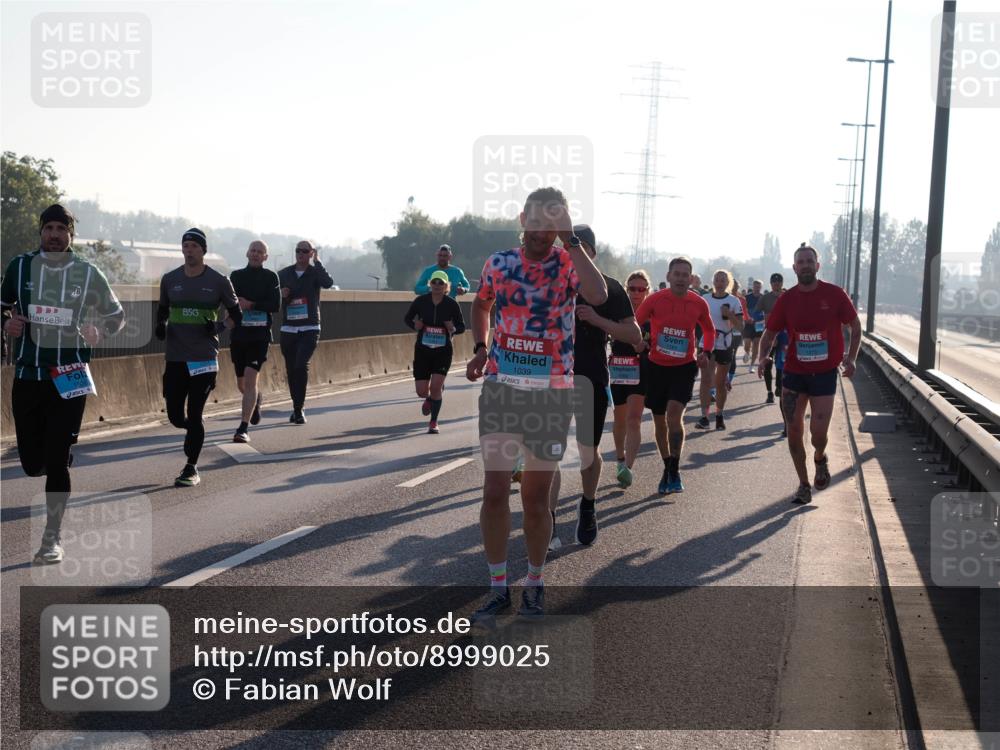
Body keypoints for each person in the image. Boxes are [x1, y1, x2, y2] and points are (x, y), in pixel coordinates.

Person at [466, 187, 607, 622]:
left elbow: (598, 295)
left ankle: (534, 580)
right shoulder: (500, 262)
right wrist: (479, 345)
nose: (544, 230)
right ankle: (496, 587)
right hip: (502, 388)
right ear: (523, 219)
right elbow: (481, 303)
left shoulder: (568, 262)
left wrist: (572, 239)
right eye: (538, 220)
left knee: (535, 497)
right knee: (493, 492)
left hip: (550, 394)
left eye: (553, 222)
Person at [1, 204, 125, 564]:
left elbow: (117, 316)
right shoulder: (19, 266)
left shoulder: (88, 273)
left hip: (69, 375)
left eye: (61, 229)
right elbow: (3, 307)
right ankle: (53, 456)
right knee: (30, 463)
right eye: (49, 228)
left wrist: (98, 330)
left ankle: (51, 538)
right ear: (41, 231)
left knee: (56, 463)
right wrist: (7, 325)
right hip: (27, 374)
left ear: (71, 234)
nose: (54, 234)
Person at [548, 224, 640, 549]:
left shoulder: (610, 289)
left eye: (581, 247)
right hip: (553, 380)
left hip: (591, 378)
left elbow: (635, 337)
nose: (574, 253)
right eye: (568, 247)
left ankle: (587, 504)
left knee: (588, 451)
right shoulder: (550, 285)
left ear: (592, 253)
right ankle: (548, 519)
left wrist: (598, 321)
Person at [757, 243, 861, 504]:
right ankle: (803, 485)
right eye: (800, 262)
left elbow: (855, 325)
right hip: (794, 372)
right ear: (794, 268)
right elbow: (769, 333)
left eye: (809, 261)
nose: (805, 265)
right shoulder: (787, 299)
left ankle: (820, 457)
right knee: (793, 430)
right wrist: (762, 357)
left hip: (825, 373)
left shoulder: (835, 294)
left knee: (818, 433)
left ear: (817, 265)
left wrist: (852, 358)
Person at [156, 228, 241, 487]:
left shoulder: (218, 280)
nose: (189, 250)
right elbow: (162, 310)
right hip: (176, 357)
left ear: (203, 250)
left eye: (194, 245)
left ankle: (191, 466)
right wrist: (160, 325)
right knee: (174, 415)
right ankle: (193, 429)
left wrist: (217, 327)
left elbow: (237, 315)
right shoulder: (170, 279)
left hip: (204, 357)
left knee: (194, 413)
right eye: (186, 245)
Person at [635, 257, 714, 495]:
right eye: (676, 274)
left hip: (684, 366)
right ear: (669, 277)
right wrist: (640, 341)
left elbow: (709, 330)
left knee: (674, 415)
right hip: (656, 366)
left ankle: (676, 468)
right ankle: (667, 465)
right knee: (660, 421)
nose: (681, 278)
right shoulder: (655, 300)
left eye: (685, 275)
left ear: (691, 279)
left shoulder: (698, 303)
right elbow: (636, 323)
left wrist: (705, 351)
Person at [228, 240, 281, 443]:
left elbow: (275, 305)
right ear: (247, 253)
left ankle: (243, 428)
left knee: (250, 379)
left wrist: (251, 304)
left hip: (259, 336)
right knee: (243, 384)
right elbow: (230, 301)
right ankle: (256, 400)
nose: (256, 254)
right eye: (253, 250)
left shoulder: (270, 277)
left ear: (265, 257)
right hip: (239, 335)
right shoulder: (236, 276)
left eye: (260, 252)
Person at [278, 240, 334, 424]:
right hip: (288, 328)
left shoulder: (315, 273)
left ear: (310, 253)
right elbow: (272, 297)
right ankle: (296, 407)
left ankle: (299, 409)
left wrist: (318, 262)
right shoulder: (284, 274)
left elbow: (328, 283)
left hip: (310, 327)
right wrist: (282, 294)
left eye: (305, 251)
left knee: (301, 365)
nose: (300, 254)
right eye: (298, 251)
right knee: (291, 369)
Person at [404, 269, 466, 433]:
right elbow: (407, 318)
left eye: (441, 283)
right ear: (430, 284)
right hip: (423, 351)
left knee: (437, 387)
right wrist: (414, 326)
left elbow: (461, 327)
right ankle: (430, 399)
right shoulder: (420, 301)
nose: (437, 285)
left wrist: (452, 329)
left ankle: (433, 422)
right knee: (421, 391)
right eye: (434, 282)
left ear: (447, 286)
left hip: (443, 351)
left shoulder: (451, 304)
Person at [610, 270, 652, 489]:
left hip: (641, 370)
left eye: (641, 289)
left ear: (647, 290)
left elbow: (660, 342)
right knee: (620, 418)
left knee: (634, 419)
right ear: (626, 289)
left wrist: (646, 345)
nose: (636, 293)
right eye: (632, 288)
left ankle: (628, 467)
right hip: (619, 368)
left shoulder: (653, 314)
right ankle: (619, 458)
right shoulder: (617, 311)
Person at [696, 270, 744, 431]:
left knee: (720, 382)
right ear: (713, 281)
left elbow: (740, 326)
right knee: (705, 380)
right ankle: (704, 417)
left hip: (725, 343)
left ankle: (719, 415)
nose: (719, 282)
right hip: (707, 342)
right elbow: (696, 320)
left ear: (728, 282)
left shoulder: (734, 301)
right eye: (717, 279)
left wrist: (729, 314)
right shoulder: (705, 299)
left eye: (723, 279)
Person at [757, 273, 785, 403]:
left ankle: (779, 386)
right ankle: (769, 392)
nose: (776, 284)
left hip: (785, 335)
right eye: (774, 282)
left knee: (782, 361)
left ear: (782, 283)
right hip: (769, 334)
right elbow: (756, 312)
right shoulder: (765, 298)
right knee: (767, 362)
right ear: (771, 284)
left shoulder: (787, 296)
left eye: (779, 282)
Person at [743, 279, 766, 370]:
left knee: (756, 344)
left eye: (758, 287)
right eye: (755, 286)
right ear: (752, 287)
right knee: (747, 343)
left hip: (759, 324)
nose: (757, 288)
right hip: (748, 323)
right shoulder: (747, 297)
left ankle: (751, 365)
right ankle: (747, 352)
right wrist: (747, 318)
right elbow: (744, 310)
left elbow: (766, 311)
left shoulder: (763, 297)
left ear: (761, 287)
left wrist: (763, 320)